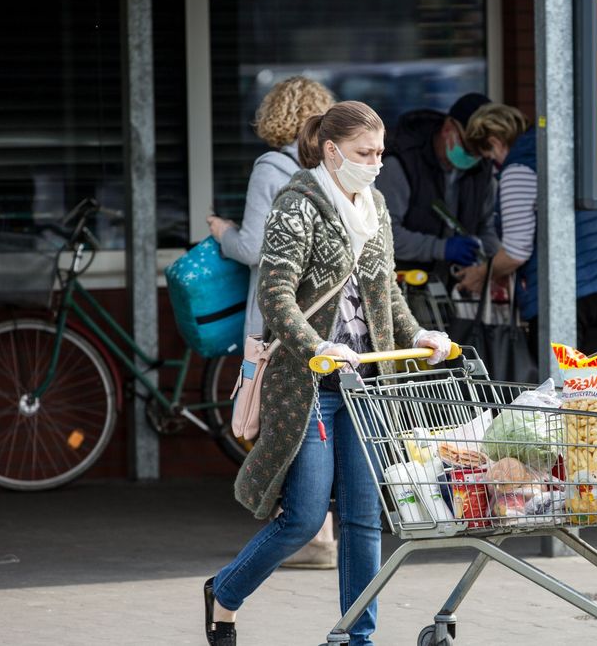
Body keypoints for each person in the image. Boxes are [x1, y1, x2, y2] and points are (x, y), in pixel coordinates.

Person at [203, 101, 452, 646]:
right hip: (308, 382)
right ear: (333, 151)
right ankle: (225, 593)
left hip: (364, 384)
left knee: (364, 520)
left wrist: (421, 336)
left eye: (381, 153)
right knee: (304, 516)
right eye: (365, 153)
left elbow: (385, 293)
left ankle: (356, 638)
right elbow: (275, 295)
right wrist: (317, 345)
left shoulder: (377, 206)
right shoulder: (298, 205)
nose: (376, 163)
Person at [205, 76, 340, 571]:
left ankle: (310, 533)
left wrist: (223, 232)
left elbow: (257, 247)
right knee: (314, 418)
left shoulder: (271, 166)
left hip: (277, 314)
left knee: (276, 417)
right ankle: (319, 529)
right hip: (324, 313)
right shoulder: (331, 165)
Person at [460, 103, 597, 356]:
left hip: (569, 294)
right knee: (587, 385)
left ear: (495, 142)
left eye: (488, 156)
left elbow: (516, 251)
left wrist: (480, 274)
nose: (492, 164)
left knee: (559, 385)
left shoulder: (519, 169)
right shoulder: (561, 152)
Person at [375, 93, 500, 280]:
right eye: (468, 149)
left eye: (479, 153)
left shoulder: (482, 172)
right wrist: (440, 248)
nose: (473, 158)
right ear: (448, 128)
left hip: (459, 286)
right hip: (409, 284)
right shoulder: (402, 164)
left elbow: (489, 227)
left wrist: (484, 252)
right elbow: (385, 235)